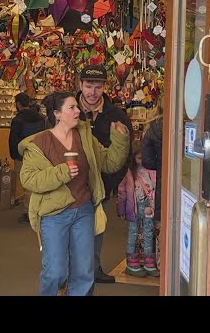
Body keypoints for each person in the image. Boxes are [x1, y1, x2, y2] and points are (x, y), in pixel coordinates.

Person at [19, 91, 129, 296]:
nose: (78, 110)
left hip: (84, 211)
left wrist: (120, 139)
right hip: (53, 215)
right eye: (72, 107)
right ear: (57, 114)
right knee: (55, 272)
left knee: (84, 273)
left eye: (77, 107)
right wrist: (61, 172)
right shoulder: (39, 143)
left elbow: (109, 162)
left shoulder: (84, 137)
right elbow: (29, 179)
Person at [76, 64, 132, 284]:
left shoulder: (116, 115)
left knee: (96, 228)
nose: (92, 92)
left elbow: (124, 153)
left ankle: (93, 267)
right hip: (70, 184)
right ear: (80, 85)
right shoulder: (67, 110)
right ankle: (67, 271)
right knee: (68, 228)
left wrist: (109, 184)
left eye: (97, 87)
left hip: (100, 186)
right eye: (88, 86)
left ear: (104, 88)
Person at [117, 142, 159, 277]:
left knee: (148, 233)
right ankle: (132, 262)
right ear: (134, 158)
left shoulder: (151, 172)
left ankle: (148, 261)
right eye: (139, 158)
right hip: (134, 208)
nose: (141, 161)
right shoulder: (130, 174)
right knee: (133, 234)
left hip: (148, 206)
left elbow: (154, 189)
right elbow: (122, 191)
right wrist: (121, 210)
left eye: (143, 158)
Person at [8, 92, 46, 224]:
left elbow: (14, 140)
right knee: (41, 181)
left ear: (18, 104)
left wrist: (15, 155)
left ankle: (28, 211)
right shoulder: (42, 118)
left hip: (23, 154)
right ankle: (41, 209)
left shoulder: (17, 120)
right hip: (40, 153)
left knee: (27, 184)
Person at [142, 114, 163, 267]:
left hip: (161, 179)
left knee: (161, 223)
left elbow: (148, 161)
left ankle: (159, 262)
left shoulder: (153, 128)